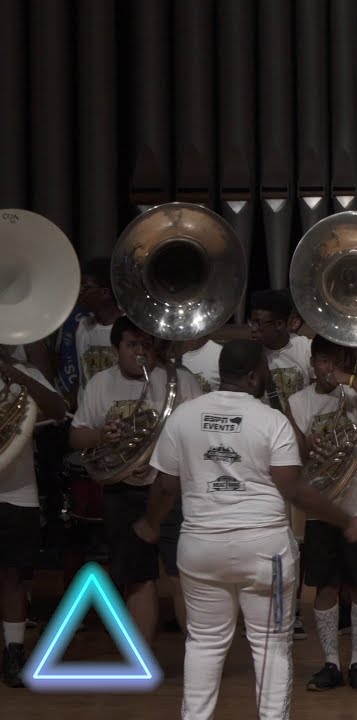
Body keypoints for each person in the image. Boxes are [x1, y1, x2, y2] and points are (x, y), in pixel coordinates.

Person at [134, 340, 357, 719]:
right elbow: (293, 489)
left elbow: (164, 486)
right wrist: (346, 520)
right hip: (264, 551)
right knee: (271, 647)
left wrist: (150, 523)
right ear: (253, 375)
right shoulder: (270, 420)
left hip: (200, 547)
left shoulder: (184, 416)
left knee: (204, 644)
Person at [68, 317, 204, 646]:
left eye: (146, 344)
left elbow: (202, 431)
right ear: (116, 349)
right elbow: (76, 436)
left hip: (173, 490)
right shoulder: (100, 383)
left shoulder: (179, 380)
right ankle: (142, 655)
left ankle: (199, 657)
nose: (140, 352)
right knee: (136, 576)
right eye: (132, 345)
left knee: (182, 573)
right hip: (123, 489)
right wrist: (102, 434)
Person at [288, 337, 357, 691]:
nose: (330, 368)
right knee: (326, 586)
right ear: (313, 361)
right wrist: (307, 446)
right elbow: (295, 454)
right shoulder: (298, 401)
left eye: (339, 361)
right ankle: (330, 663)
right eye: (324, 361)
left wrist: (352, 381)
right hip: (324, 507)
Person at [248, 289, 313, 639]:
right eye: (251, 322)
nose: (254, 330)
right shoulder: (250, 356)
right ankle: (261, 610)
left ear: (282, 323)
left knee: (294, 541)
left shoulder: (303, 350)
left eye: (261, 323)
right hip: (258, 459)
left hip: (296, 457)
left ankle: (294, 609)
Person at [0, 354, 67, 687]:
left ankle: (13, 651)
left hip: (18, 491)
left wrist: (21, 379)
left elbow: (58, 410)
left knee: (14, 576)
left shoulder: (24, 371)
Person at [71, 257, 124, 404]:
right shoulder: (82, 327)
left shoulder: (128, 328)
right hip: (88, 417)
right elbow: (82, 377)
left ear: (105, 292)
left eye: (86, 287)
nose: (80, 292)